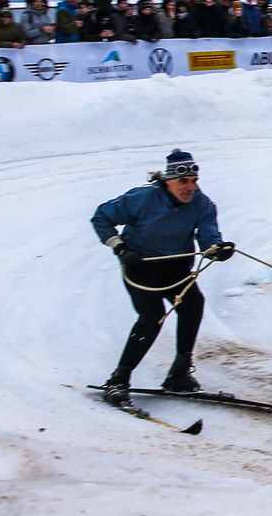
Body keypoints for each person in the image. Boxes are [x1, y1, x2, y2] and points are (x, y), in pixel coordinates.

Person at [89, 150, 234, 402]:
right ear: (167, 180)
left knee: (192, 306)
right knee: (152, 316)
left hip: (176, 268)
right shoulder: (142, 199)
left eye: (194, 181)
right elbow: (101, 217)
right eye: (183, 182)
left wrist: (216, 249)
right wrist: (120, 247)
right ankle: (118, 380)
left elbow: (208, 235)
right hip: (140, 266)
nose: (190, 187)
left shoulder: (203, 204)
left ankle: (179, 375)